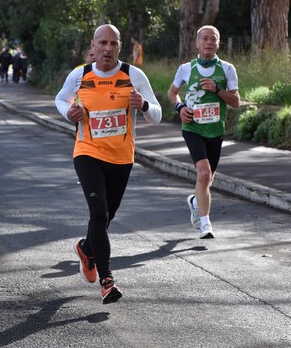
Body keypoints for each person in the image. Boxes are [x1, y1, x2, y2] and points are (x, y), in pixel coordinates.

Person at [55, 24, 162, 304]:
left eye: (112, 43)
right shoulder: (80, 75)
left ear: (119, 45)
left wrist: (145, 106)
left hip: (121, 157)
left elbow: (158, 115)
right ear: (94, 45)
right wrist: (69, 111)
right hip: (87, 152)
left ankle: (86, 248)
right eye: (102, 43)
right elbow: (60, 98)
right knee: (99, 213)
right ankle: (107, 281)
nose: (107, 49)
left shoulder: (132, 75)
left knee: (106, 217)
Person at [167, 25, 240, 239]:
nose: (209, 42)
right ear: (197, 43)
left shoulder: (227, 69)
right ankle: (205, 224)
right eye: (205, 39)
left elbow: (236, 101)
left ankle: (194, 201)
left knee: (208, 179)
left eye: (213, 39)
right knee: (204, 173)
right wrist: (180, 108)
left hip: (215, 130)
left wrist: (217, 90)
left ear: (218, 44)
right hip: (192, 128)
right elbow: (173, 93)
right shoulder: (186, 68)